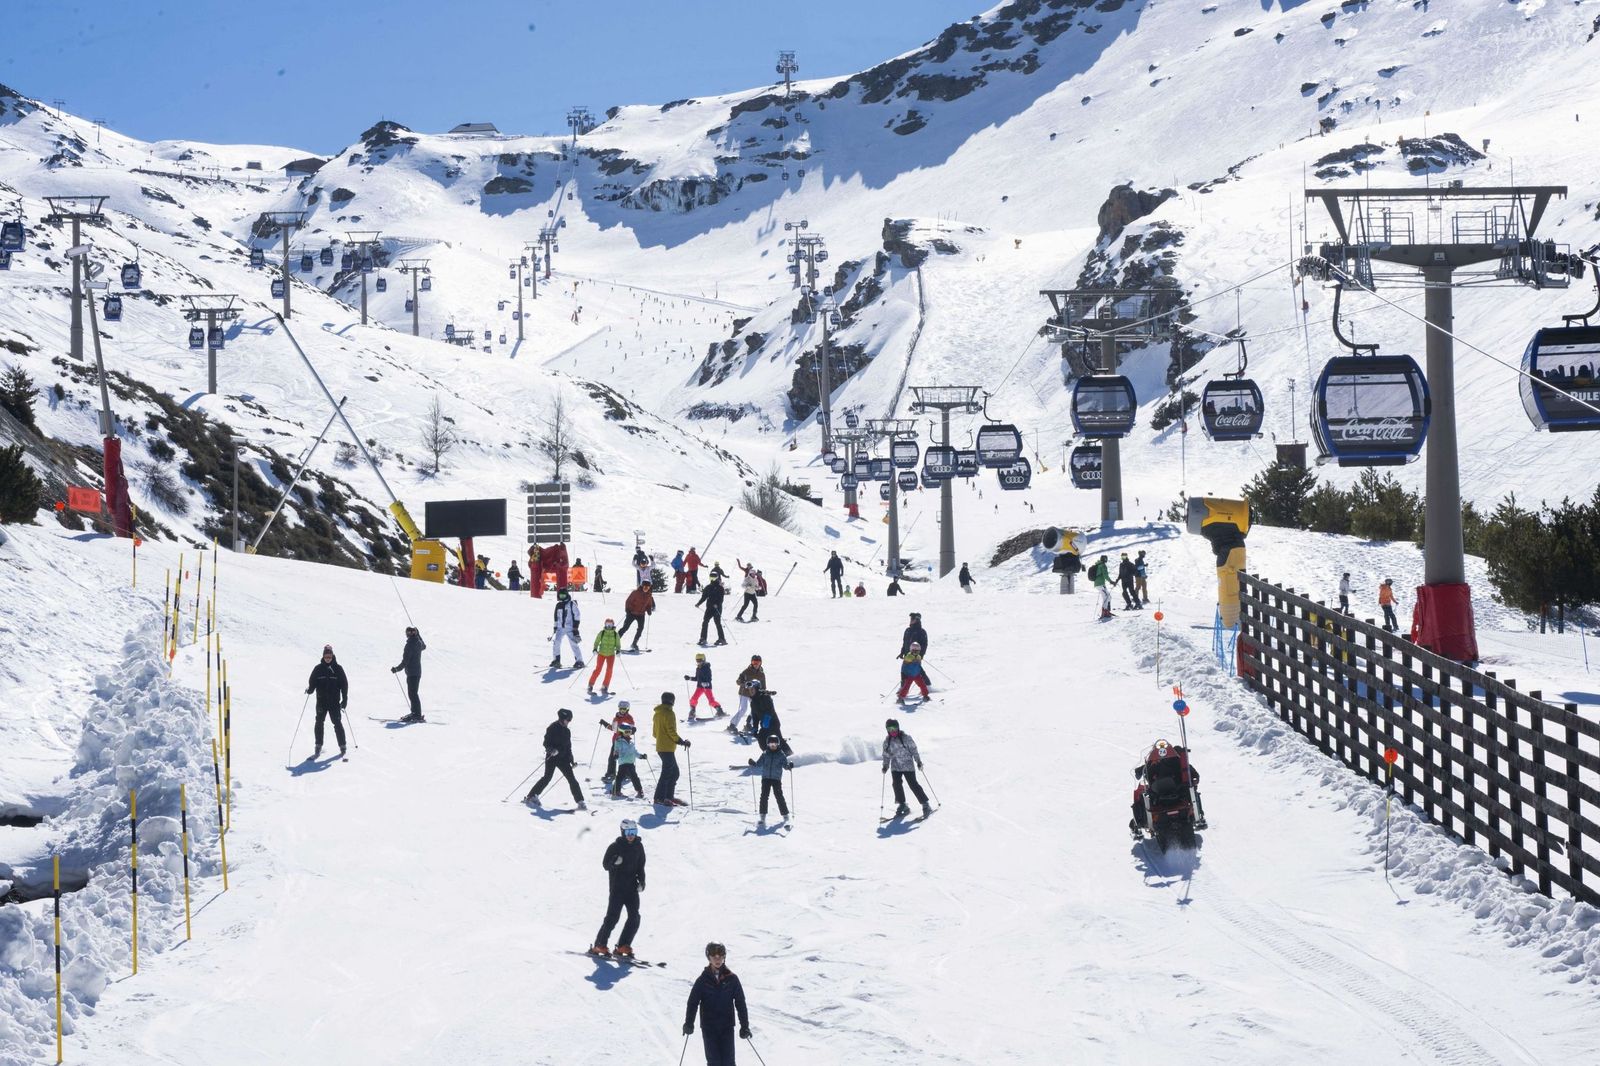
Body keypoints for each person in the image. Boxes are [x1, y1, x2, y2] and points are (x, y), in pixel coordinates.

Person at [684, 942, 751, 1065]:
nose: (717, 958)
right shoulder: (702, 980)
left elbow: (740, 1003)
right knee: (714, 1062)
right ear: (708, 957)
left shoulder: (732, 979)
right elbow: (693, 1002)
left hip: (727, 1027)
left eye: (720, 955)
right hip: (709, 1028)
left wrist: (744, 1026)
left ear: (724, 957)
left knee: (729, 1062)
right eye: (714, 955)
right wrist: (689, 1023)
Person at [589, 819, 646, 958]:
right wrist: (614, 862)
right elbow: (605, 865)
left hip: (632, 889)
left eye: (633, 832)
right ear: (622, 832)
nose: (631, 835)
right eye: (628, 832)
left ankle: (622, 946)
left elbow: (641, 867)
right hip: (617, 888)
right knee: (612, 918)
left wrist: (642, 882)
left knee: (635, 917)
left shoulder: (639, 847)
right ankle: (599, 945)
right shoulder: (615, 847)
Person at [1130, 739, 1201, 830]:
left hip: (1163, 796)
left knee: (1142, 795)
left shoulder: (1154, 764)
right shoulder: (1178, 761)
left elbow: (1142, 773)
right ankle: (1199, 816)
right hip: (1177, 794)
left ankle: (1139, 825)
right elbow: (1192, 772)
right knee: (1193, 791)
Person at [524, 708, 586, 809]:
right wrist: (551, 750)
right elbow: (546, 743)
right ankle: (531, 796)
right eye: (568, 720)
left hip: (563, 759)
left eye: (570, 720)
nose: (569, 722)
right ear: (562, 719)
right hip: (552, 757)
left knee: (572, 780)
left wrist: (571, 760)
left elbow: (568, 747)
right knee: (547, 777)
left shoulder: (567, 731)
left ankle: (580, 801)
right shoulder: (552, 728)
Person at [305, 643, 348, 758]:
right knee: (319, 722)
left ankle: (342, 745)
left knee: (337, 723)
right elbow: (312, 682)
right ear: (323, 657)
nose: (328, 659)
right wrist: (310, 689)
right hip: (321, 702)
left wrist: (345, 699)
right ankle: (318, 745)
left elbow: (344, 685)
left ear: (332, 656)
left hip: (334, 702)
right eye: (326, 657)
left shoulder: (338, 669)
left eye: (329, 656)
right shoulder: (318, 669)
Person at [882, 719, 931, 818]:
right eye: (890, 729)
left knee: (913, 784)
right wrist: (885, 766)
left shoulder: (906, 738)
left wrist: (918, 762)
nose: (892, 731)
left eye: (894, 728)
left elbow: (914, 750)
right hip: (895, 766)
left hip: (908, 765)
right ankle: (902, 804)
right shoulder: (887, 741)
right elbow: (886, 755)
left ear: (898, 728)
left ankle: (925, 804)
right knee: (896, 784)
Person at [653, 692, 691, 806]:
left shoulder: (657, 714)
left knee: (674, 773)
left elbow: (655, 733)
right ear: (672, 701)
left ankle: (668, 796)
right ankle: (660, 798)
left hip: (662, 747)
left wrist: (663, 738)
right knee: (667, 773)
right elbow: (671, 730)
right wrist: (680, 741)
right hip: (667, 748)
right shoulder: (669, 713)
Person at [749, 736, 793, 824]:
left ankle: (785, 815)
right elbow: (759, 764)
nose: (773, 746)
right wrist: (753, 763)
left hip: (776, 779)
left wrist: (789, 766)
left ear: (778, 744)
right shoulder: (765, 754)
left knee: (779, 796)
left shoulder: (781, 754)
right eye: (771, 744)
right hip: (766, 778)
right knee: (764, 796)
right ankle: (762, 817)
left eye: (775, 744)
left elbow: (785, 765)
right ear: (768, 744)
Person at [390, 626, 426, 723]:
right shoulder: (418, 643)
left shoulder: (409, 645)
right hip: (417, 672)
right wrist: (418, 634)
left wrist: (397, 669)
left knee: (413, 694)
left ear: (409, 634)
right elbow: (424, 646)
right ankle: (415, 713)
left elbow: (405, 661)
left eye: (406, 633)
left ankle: (416, 714)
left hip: (412, 673)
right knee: (413, 693)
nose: (406, 634)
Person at [601, 700, 637, 784]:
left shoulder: (629, 718)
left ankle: (628, 774)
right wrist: (605, 724)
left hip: (625, 741)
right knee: (612, 758)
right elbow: (614, 729)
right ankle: (611, 774)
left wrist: (633, 730)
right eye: (621, 709)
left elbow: (631, 728)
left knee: (626, 757)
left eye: (624, 709)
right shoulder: (616, 718)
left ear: (627, 709)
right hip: (616, 741)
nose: (622, 711)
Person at [549, 589, 585, 669]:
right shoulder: (558, 605)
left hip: (570, 627)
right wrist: (555, 627)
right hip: (560, 628)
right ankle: (556, 660)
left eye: (564, 595)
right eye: (561, 596)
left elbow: (577, 615)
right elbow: (555, 617)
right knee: (556, 643)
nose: (562, 597)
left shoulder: (571, 604)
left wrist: (575, 626)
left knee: (573, 643)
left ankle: (579, 661)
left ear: (567, 595)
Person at [610, 723, 646, 799]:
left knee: (634, 777)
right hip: (623, 763)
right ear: (622, 732)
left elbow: (634, 752)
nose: (628, 734)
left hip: (631, 763)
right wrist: (616, 755)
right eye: (626, 732)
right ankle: (616, 791)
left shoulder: (631, 742)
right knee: (619, 777)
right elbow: (616, 750)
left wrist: (641, 756)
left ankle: (639, 790)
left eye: (629, 732)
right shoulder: (618, 741)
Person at [685, 652, 724, 721]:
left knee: (711, 701)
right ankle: (692, 712)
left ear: (703, 660)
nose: (698, 662)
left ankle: (720, 711)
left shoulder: (707, 668)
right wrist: (689, 678)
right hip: (700, 687)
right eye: (697, 660)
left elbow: (709, 678)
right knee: (693, 699)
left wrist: (706, 683)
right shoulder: (698, 668)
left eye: (700, 660)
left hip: (707, 687)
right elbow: (697, 678)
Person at [731, 655, 765, 733]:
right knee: (743, 709)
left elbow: (763, 686)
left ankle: (748, 724)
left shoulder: (761, 674)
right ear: (751, 663)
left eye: (757, 662)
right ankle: (732, 725)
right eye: (754, 662)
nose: (755, 664)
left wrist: (763, 692)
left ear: (760, 663)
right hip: (744, 693)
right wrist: (744, 683)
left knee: (756, 709)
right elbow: (738, 681)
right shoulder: (746, 671)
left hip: (753, 694)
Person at [589, 618, 620, 696]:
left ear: (613, 625)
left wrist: (618, 651)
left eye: (610, 625)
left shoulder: (616, 634)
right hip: (601, 654)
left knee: (609, 670)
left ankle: (605, 686)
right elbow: (596, 642)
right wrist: (595, 649)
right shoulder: (602, 633)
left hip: (611, 655)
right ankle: (590, 685)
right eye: (607, 624)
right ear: (605, 625)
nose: (609, 626)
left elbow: (618, 644)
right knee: (598, 669)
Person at [620, 582, 654, 651]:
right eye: (645, 587)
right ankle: (615, 642)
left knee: (640, 629)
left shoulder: (649, 595)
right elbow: (628, 601)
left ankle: (634, 643)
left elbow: (649, 604)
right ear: (642, 586)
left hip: (641, 615)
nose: (646, 589)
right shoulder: (635, 593)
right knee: (625, 627)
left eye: (647, 588)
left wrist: (649, 610)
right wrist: (627, 610)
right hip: (632, 613)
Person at [696, 574, 727, 646]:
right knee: (705, 622)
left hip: (717, 608)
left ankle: (722, 639)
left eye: (713, 578)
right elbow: (704, 597)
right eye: (711, 577)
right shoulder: (708, 587)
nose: (712, 579)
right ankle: (703, 638)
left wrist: (717, 604)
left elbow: (721, 599)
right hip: (709, 608)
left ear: (717, 578)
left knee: (717, 623)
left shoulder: (720, 588)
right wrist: (698, 604)